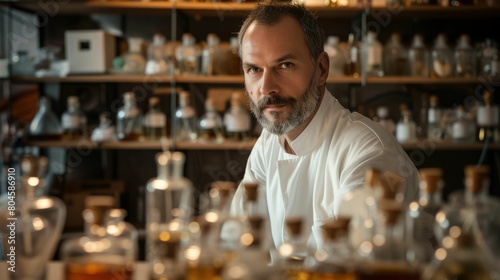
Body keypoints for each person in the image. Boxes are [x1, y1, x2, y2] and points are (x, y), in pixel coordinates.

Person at [229, 3, 420, 250]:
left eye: (285, 65)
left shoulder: (369, 152)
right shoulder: (268, 144)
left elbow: (353, 267)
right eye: (254, 69)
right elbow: (236, 239)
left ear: (321, 69)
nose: (267, 87)